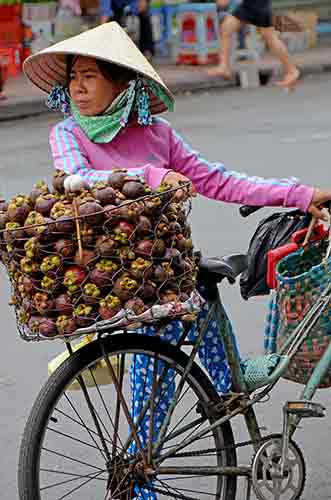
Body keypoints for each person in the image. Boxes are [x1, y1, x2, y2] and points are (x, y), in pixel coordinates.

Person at [23, 21, 331, 499]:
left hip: (172, 272)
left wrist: (299, 192)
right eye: (72, 77)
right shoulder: (67, 134)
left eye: (89, 76)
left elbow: (220, 180)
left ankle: (234, 410)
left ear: (121, 83)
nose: (77, 87)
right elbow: (74, 180)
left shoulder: (157, 133)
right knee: (150, 419)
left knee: (226, 383)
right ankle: (145, 481)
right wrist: (152, 176)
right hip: (120, 285)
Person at [208, 0, 300, 88]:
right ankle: (224, 66)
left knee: (270, 38)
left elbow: (223, 3)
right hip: (249, 5)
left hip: (258, 5)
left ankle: (292, 70)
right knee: (227, 27)